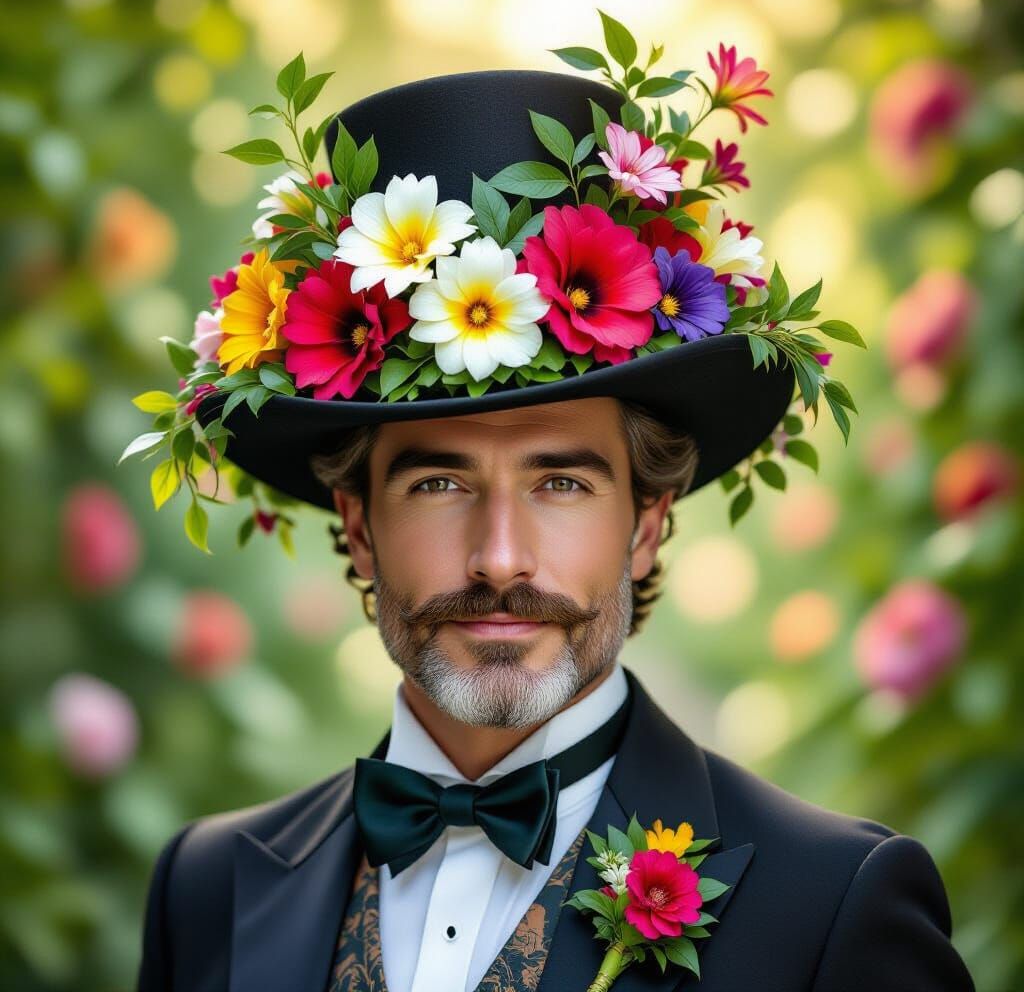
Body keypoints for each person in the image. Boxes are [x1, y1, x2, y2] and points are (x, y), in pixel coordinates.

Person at [133, 50, 975, 992]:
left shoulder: (835, 907)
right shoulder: (202, 891)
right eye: (438, 484)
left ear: (647, 522)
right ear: (358, 524)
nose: (500, 559)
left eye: (562, 484)